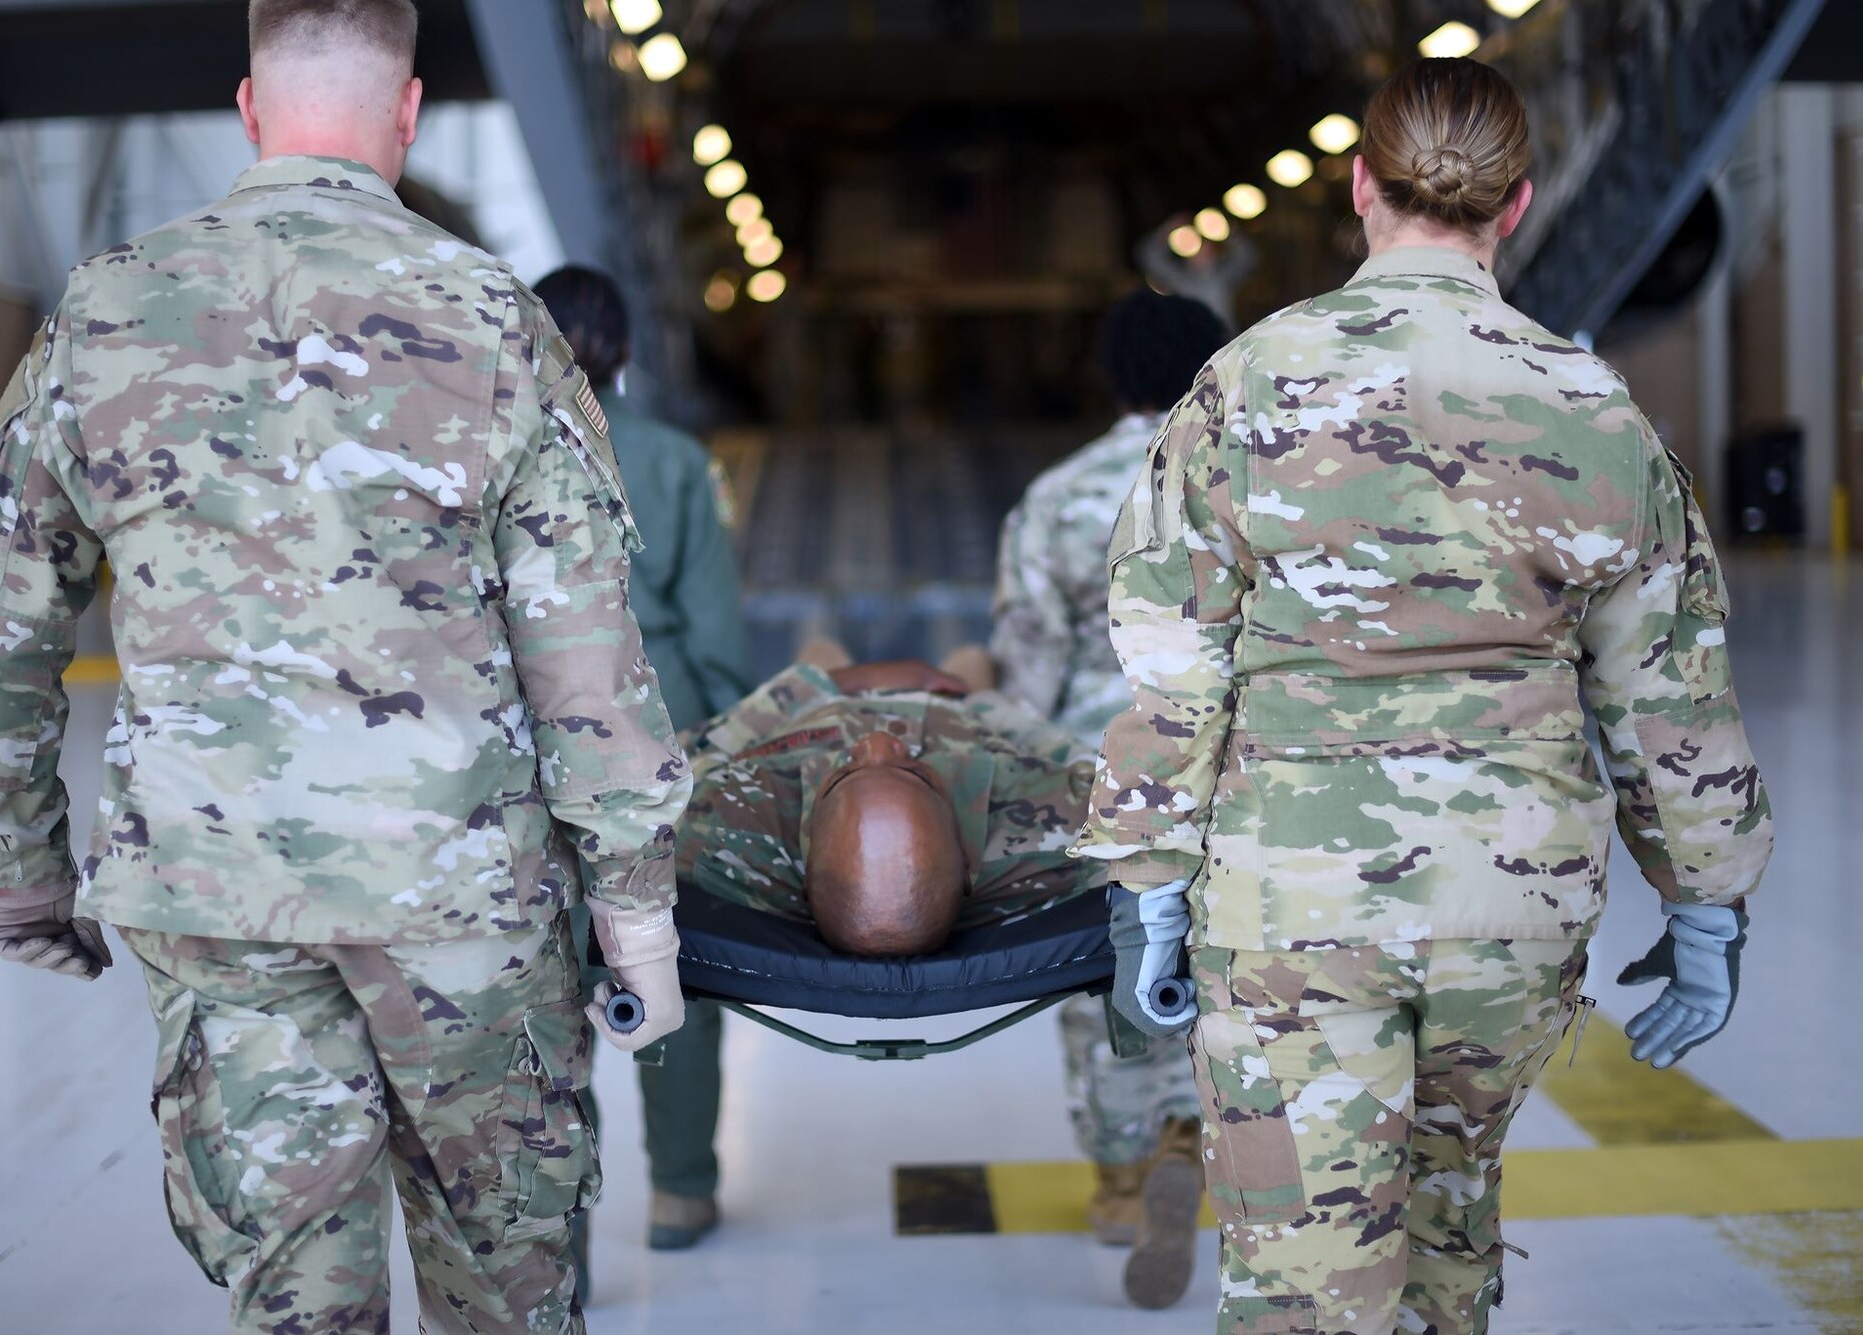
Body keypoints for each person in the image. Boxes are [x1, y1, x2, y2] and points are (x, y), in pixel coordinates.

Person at [0, 3, 690, 1331]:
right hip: (465, 902)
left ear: (247, 109)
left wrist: (21, 871)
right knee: (507, 1285)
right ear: (406, 116)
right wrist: (637, 909)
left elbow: (0, 630)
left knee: (293, 1293)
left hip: (221, 898)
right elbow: (587, 658)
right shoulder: (497, 319)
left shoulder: (104, 314)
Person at [1072, 56, 1772, 1335]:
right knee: (1446, 1227)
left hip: (1295, 906)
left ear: (1356, 187)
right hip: (1511, 911)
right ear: (1515, 206)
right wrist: (1707, 911)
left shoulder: (1244, 385)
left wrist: (1145, 894)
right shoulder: (1588, 403)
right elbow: (1668, 691)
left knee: (1302, 1282)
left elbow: (1172, 666)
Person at [990, 288, 1231, 1309]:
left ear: (1109, 377)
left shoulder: (1057, 496)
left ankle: (1124, 1171)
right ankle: (1204, 1135)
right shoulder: (1251, 485)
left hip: (1102, 773)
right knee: (1231, 964)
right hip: (1233, 768)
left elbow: (1025, 677)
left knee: (1104, 972)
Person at [532, 264, 751, 1253]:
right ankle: (681, 1193)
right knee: (671, 960)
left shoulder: (492, 458)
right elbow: (711, 626)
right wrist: (719, 729)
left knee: (537, 984)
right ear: (623, 351)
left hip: (528, 746)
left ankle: (555, 1227)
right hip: (661, 735)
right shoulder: (671, 461)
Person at [678, 647, 1097, 955]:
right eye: (917, 772)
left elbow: (698, 746)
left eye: (842, 774)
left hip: (821, 704)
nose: (877, 743)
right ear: (969, 864)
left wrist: (830, 683)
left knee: (820, 647)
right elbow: (1081, 760)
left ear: (804, 875)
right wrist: (984, 704)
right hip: (955, 706)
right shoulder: (1061, 831)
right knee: (970, 657)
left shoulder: (716, 826)